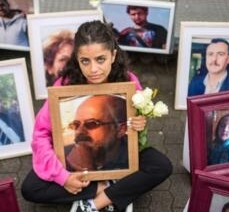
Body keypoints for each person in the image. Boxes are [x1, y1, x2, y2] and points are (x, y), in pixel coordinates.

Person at [21, 20, 172, 212]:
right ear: (77, 59)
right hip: (78, 165)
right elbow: (41, 133)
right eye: (85, 61)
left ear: (113, 55)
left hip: (118, 153)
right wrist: (64, 177)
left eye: (100, 59)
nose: (93, 69)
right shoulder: (64, 85)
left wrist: (140, 122)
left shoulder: (128, 82)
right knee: (31, 188)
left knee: (161, 165)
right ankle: (107, 188)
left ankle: (95, 203)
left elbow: (136, 120)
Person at [65, 95, 128, 171]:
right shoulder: (64, 157)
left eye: (91, 124)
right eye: (76, 125)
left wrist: (88, 170)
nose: (79, 131)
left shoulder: (135, 159)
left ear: (120, 129)